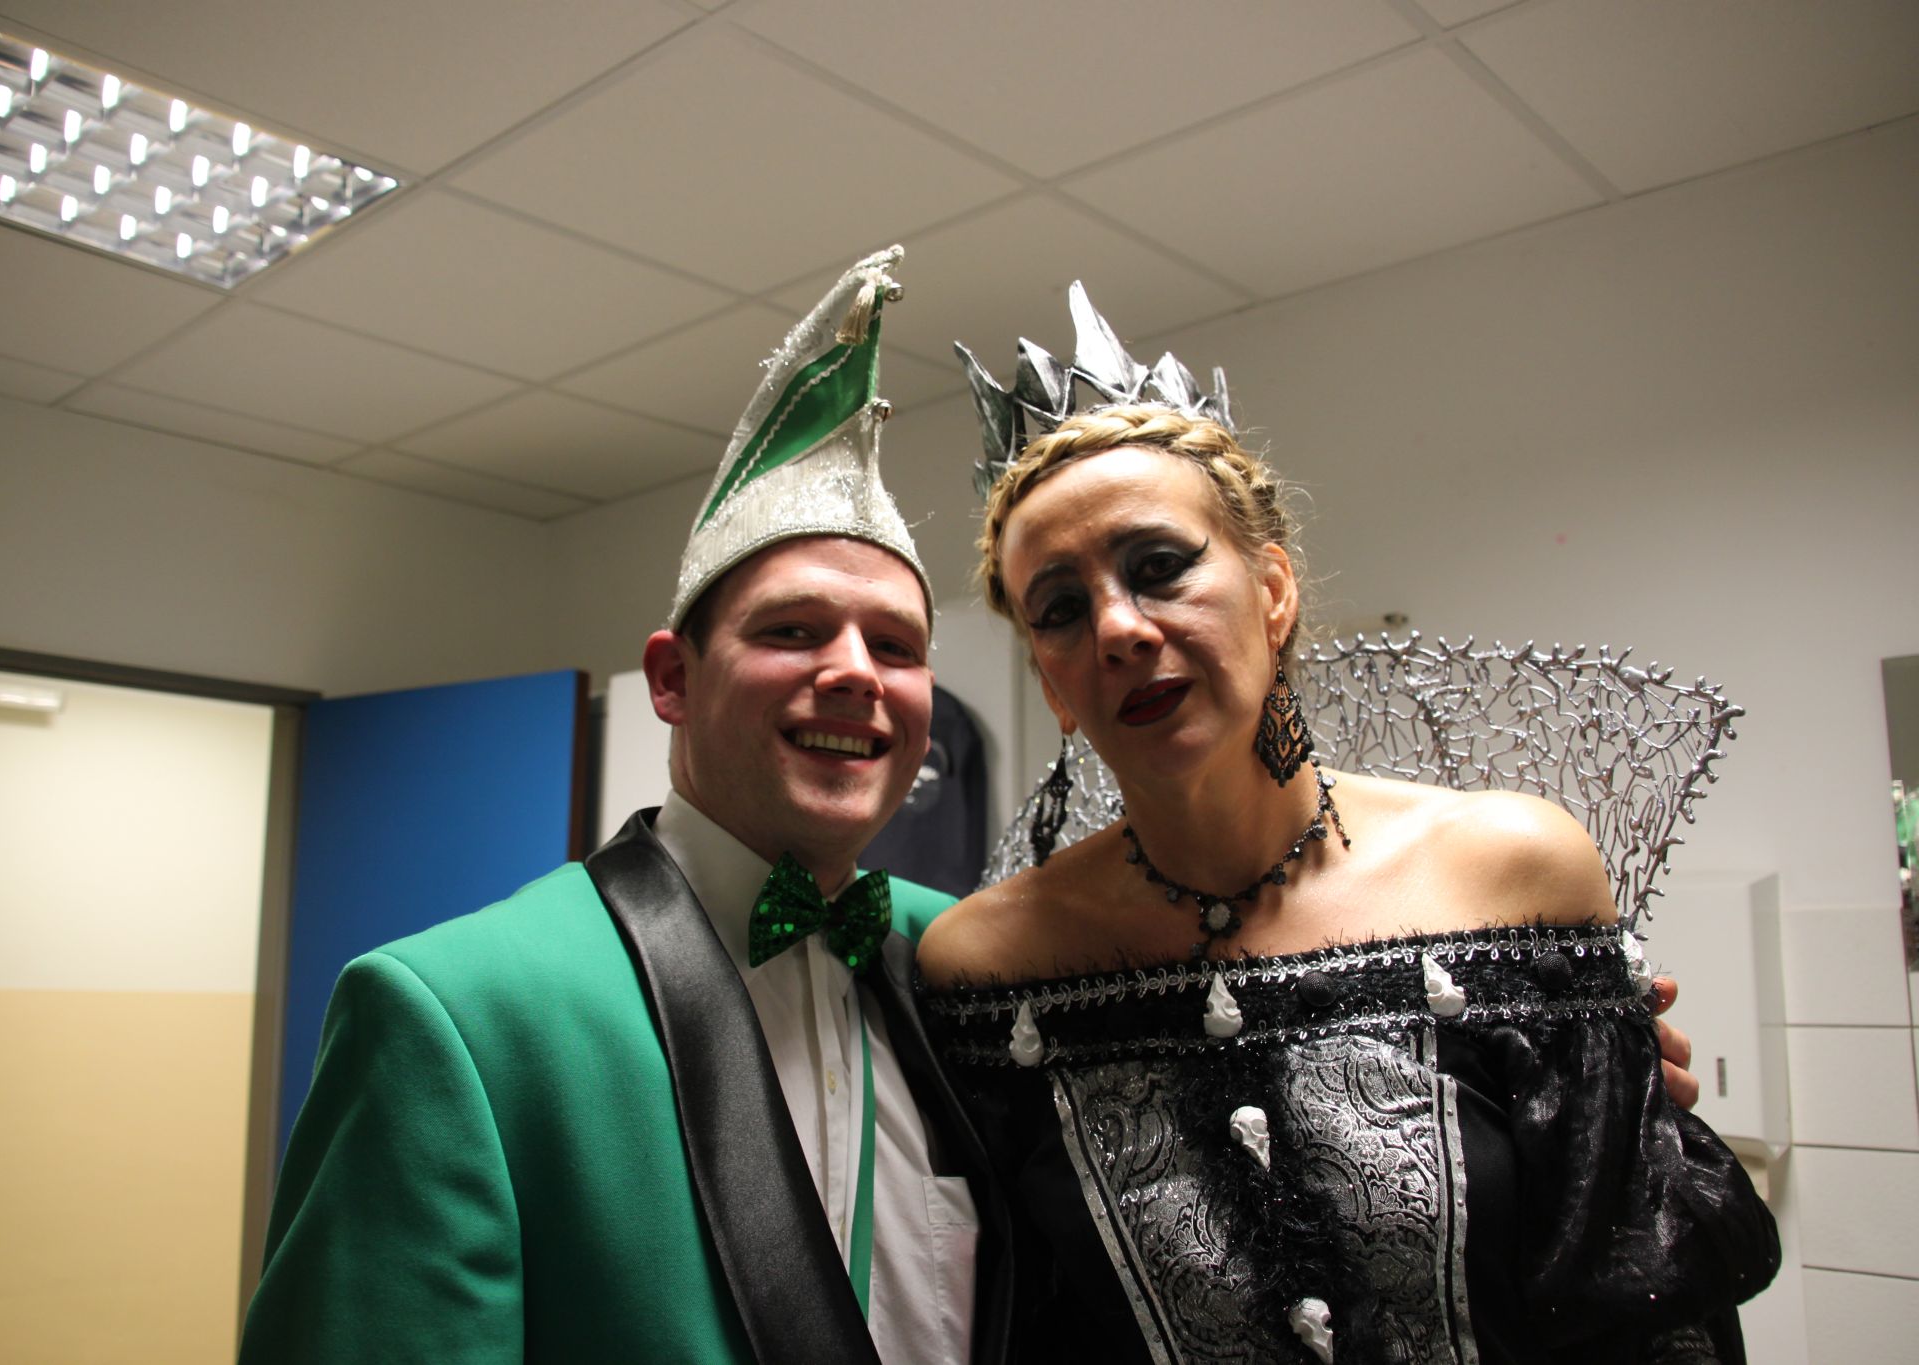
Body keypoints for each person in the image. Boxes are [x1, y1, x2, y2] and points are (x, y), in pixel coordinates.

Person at [916, 287, 1777, 1364]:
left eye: (1159, 567)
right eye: (1060, 609)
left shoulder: (1510, 872)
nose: (1120, 628)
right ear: (1049, 681)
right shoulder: (987, 966)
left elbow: (1646, 1316)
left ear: (1272, 589)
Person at [241, 248, 1010, 1364]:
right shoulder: (456, 1014)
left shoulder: (968, 966)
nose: (854, 670)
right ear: (671, 679)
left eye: (895, 646)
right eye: (793, 629)